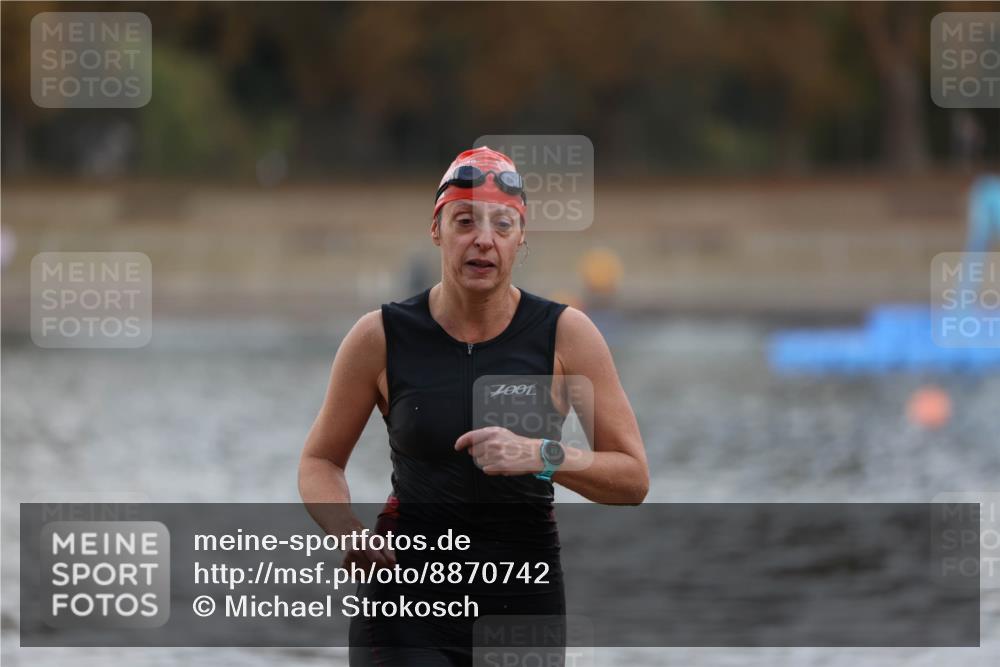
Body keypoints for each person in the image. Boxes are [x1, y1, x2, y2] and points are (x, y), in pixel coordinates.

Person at [298, 146, 648, 665]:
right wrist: (349, 532)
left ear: (520, 239)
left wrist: (544, 455)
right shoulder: (380, 336)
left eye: (502, 224)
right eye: (465, 221)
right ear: (437, 230)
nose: (483, 239)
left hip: (522, 599)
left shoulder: (566, 335)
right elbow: (319, 461)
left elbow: (633, 477)